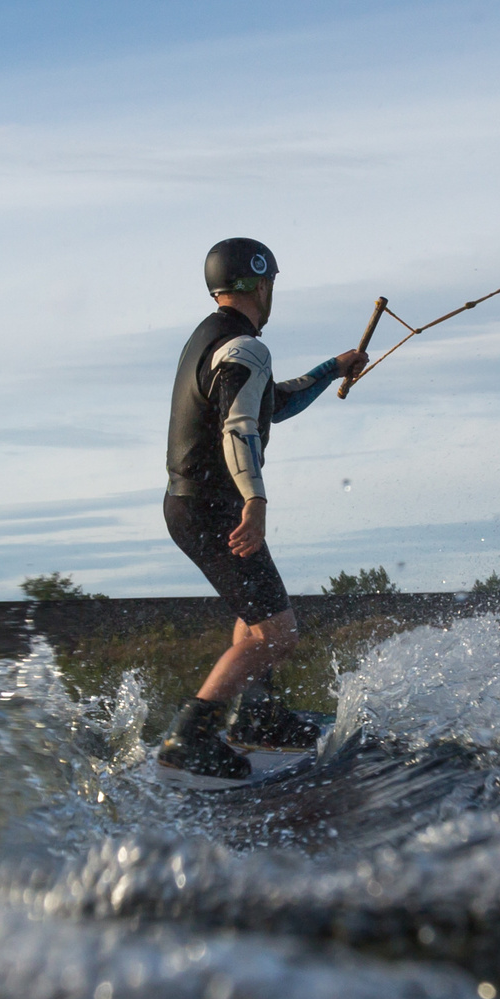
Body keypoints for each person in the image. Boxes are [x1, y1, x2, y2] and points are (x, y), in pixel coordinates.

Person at [156, 237, 368, 775]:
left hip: (192, 505)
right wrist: (255, 500)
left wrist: (332, 368)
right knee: (278, 632)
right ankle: (192, 735)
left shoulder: (215, 340)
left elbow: (272, 402)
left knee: (253, 621)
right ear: (262, 285)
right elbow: (240, 427)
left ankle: (258, 716)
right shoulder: (247, 349)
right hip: (213, 507)